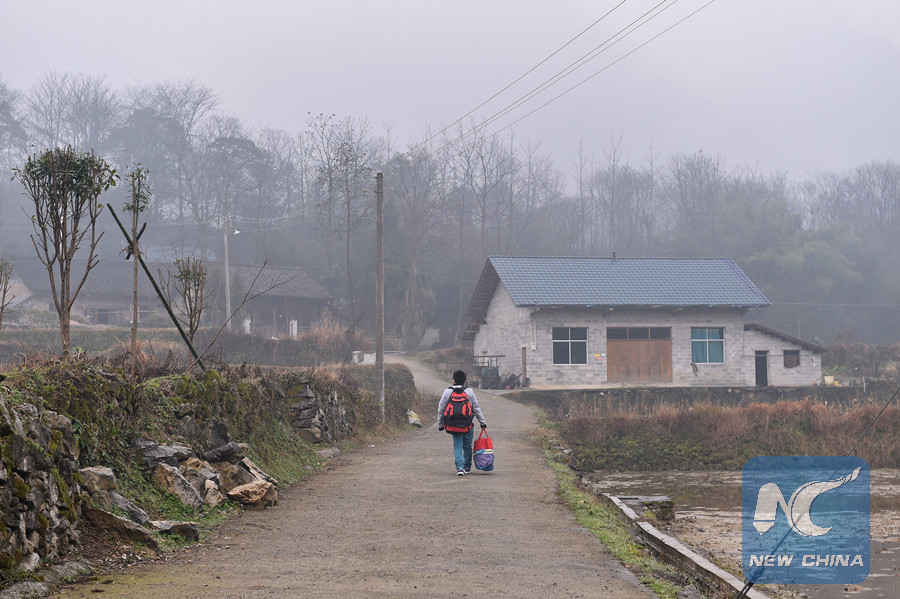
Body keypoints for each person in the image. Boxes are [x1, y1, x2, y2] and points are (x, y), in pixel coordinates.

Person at [437, 370, 487, 476]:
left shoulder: (447, 392)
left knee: (457, 445)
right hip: (467, 424)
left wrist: (440, 424)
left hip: (453, 424)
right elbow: (476, 408)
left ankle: (459, 468)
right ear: (464, 381)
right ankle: (467, 466)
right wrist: (482, 422)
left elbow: (441, 409)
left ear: (453, 380)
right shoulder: (469, 392)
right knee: (467, 446)